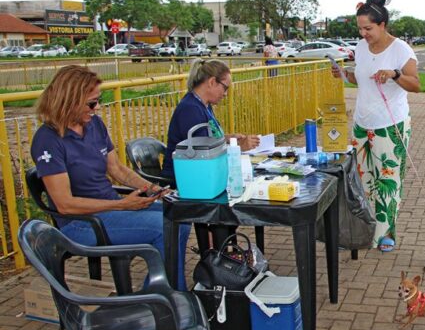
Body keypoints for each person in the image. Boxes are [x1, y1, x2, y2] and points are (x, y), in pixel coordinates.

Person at [30, 65, 192, 290]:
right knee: (164, 228)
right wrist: (122, 204)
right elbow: (65, 205)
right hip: (81, 222)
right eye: (91, 103)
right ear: (68, 100)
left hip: (111, 209)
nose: (97, 108)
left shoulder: (94, 124)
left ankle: (161, 289)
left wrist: (153, 189)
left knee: (180, 216)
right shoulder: (48, 140)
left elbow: (117, 169)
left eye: (99, 100)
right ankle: (168, 296)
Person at [330, 0, 420, 251]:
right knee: (364, 179)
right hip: (362, 123)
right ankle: (370, 226)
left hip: (390, 126)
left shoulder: (401, 50)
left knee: (388, 181)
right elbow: (362, 77)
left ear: (382, 25)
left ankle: (385, 235)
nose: (363, 34)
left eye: (368, 28)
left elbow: (415, 85)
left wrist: (394, 74)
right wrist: (343, 75)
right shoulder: (360, 47)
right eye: (360, 29)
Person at [162, 59, 260, 251]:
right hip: (186, 178)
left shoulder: (203, 106)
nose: (225, 94)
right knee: (233, 201)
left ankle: (221, 246)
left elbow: (209, 140)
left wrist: (231, 138)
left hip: (202, 174)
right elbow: (203, 152)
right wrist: (238, 146)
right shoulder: (191, 109)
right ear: (212, 82)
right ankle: (216, 250)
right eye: (225, 87)